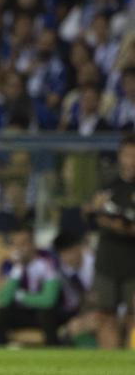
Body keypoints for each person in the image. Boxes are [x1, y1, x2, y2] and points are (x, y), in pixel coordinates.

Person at [89, 133, 135, 348]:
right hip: (107, 260)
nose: (131, 160)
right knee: (105, 316)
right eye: (127, 154)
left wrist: (111, 222)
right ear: (120, 156)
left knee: (133, 317)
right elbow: (90, 213)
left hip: (132, 262)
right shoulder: (107, 183)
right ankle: (110, 366)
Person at [0, 225, 65, 345]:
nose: (19, 248)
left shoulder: (47, 261)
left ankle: (53, 350)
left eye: (23, 243)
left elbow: (49, 300)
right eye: (15, 244)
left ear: (33, 244)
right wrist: (17, 269)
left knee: (47, 314)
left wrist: (22, 297)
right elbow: (3, 301)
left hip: (43, 314)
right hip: (22, 313)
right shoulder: (8, 265)